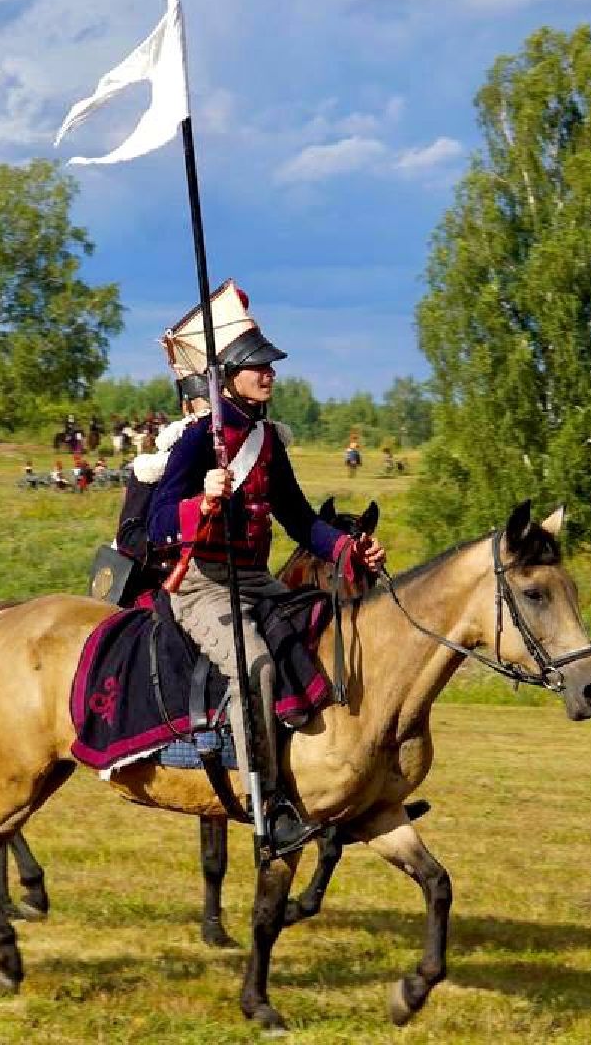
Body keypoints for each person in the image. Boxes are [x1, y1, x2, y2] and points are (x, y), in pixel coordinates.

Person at [149, 282, 385, 858]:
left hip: (257, 581)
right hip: (203, 584)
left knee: (323, 635)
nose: (270, 374)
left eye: (270, 366)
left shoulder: (265, 442)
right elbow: (157, 521)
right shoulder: (198, 441)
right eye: (259, 367)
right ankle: (265, 800)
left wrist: (349, 551)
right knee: (254, 666)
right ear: (230, 376)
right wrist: (200, 500)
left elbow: (301, 519)